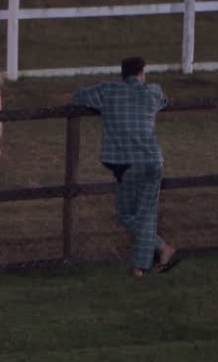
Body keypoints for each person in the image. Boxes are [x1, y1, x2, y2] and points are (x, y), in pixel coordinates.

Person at [73, 56, 180, 278]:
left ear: (123, 74)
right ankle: (150, 258)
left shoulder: (108, 91)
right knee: (146, 213)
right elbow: (164, 100)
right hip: (153, 160)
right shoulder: (153, 92)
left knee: (126, 213)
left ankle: (150, 258)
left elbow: (79, 96)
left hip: (127, 162)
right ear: (141, 73)